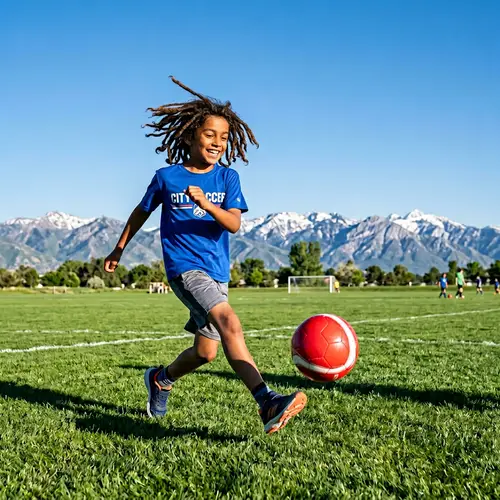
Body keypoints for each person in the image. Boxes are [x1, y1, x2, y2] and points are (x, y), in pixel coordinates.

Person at [104, 77, 306, 435]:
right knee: (230, 322)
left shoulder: (228, 178)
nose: (217, 142)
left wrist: (206, 203)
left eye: (224, 137)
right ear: (189, 135)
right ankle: (266, 401)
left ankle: (160, 379)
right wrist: (120, 247)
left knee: (205, 353)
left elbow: (233, 224)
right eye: (210, 134)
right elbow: (140, 212)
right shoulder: (167, 177)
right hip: (184, 269)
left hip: (217, 272)